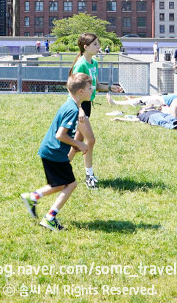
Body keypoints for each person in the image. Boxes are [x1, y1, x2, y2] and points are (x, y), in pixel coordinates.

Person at [19, 72, 91, 232]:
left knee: (60, 184)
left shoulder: (70, 103)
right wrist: (79, 144)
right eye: (89, 88)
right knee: (71, 184)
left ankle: (33, 197)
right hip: (55, 152)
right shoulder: (72, 110)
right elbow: (60, 135)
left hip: (49, 150)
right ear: (80, 91)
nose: (92, 90)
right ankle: (50, 218)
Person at [69, 33, 123, 188]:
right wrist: (79, 109)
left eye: (98, 44)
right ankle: (89, 176)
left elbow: (96, 86)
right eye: (95, 44)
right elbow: (72, 91)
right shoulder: (81, 65)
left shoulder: (94, 63)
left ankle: (59, 172)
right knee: (90, 140)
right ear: (86, 47)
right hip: (79, 106)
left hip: (87, 106)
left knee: (77, 143)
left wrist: (110, 87)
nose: (99, 47)